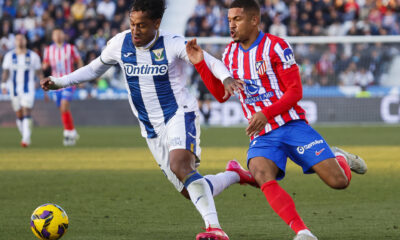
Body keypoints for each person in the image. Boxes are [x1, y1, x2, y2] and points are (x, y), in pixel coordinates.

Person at [40, 0, 256, 239]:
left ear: (156, 23)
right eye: (132, 24)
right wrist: (59, 82)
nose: (135, 30)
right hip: (150, 129)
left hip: (179, 113)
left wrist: (225, 78)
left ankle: (214, 228)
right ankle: (236, 174)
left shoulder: (172, 43)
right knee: (189, 189)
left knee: (180, 166)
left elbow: (208, 59)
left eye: (141, 25)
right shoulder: (120, 44)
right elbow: (94, 69)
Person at [185, 0, 367, 240]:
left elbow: (295, 91)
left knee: (338, 182)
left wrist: (266, 113)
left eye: (237, 19)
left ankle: (340, 157)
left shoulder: (276, 47)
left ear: (254, 20)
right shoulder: (229, 54)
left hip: (292, 125)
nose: (231, 25)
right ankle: (302, 232)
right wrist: (200, 64)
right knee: (261, 173)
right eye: (229, 20)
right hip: (263, 134)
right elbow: (220, 95)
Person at [43, 28, 84, 146]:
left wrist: (80, 77)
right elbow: (45, 64)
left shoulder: (70, 48)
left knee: (64, 105)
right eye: (55, 34)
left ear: (63, 36)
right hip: (55, 83)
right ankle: (72, 131)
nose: (58, 36)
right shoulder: (48, 50)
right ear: (52, 37)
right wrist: (44, 66)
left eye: (60, 33)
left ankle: (67, 134)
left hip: (68, 81)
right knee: (62, 109)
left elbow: (79, 61)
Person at [1, 33, 43, 147]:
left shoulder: (33, 56)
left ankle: (26, 138)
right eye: (17, 39)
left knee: (26, 110)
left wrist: (43, 83)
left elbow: (39, 72)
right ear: (14, 42)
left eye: (22, 39)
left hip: (28, 88)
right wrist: (3, 85)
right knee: (19, 114)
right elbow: (6, 72)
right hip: (13, 88)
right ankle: (25, 135)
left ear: (25, 41)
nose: (20, 41)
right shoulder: (9, 56)